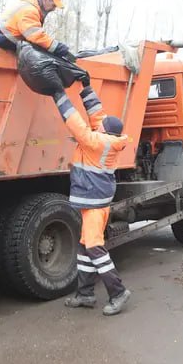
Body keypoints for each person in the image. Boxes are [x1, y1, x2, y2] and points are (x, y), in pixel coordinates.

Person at [51, 81, 131, 315]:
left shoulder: (96, 142)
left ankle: (118, 292)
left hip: (94, 204)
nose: (98, 126)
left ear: (105, 131)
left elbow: (77, 125)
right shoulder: (108, 140)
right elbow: (98, 117)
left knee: (95, 247)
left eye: (101, 127)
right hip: (94, 201)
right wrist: (86, 89)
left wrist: (59, 94)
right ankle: (85, 294)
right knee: (86, 247)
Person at [0, 0, 75, 62]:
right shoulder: (30, 10)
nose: (54, 9)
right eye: (54, 5)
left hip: (2, 38)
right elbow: (35, 35)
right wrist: (57, 47)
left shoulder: (33, 7)